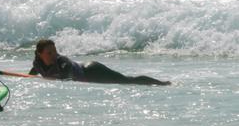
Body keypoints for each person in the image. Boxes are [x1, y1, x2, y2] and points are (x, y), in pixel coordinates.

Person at [29, 38, 171, 86]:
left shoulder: (62, 62)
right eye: (49, 53)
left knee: (127, 81)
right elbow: (32, 75)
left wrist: (49, 80)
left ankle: (161, 83)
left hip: (91, 70)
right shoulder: (37, 63)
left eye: (54, 51)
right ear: (40, 54)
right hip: (86, 74)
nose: (54, 55)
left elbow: (67, 79)